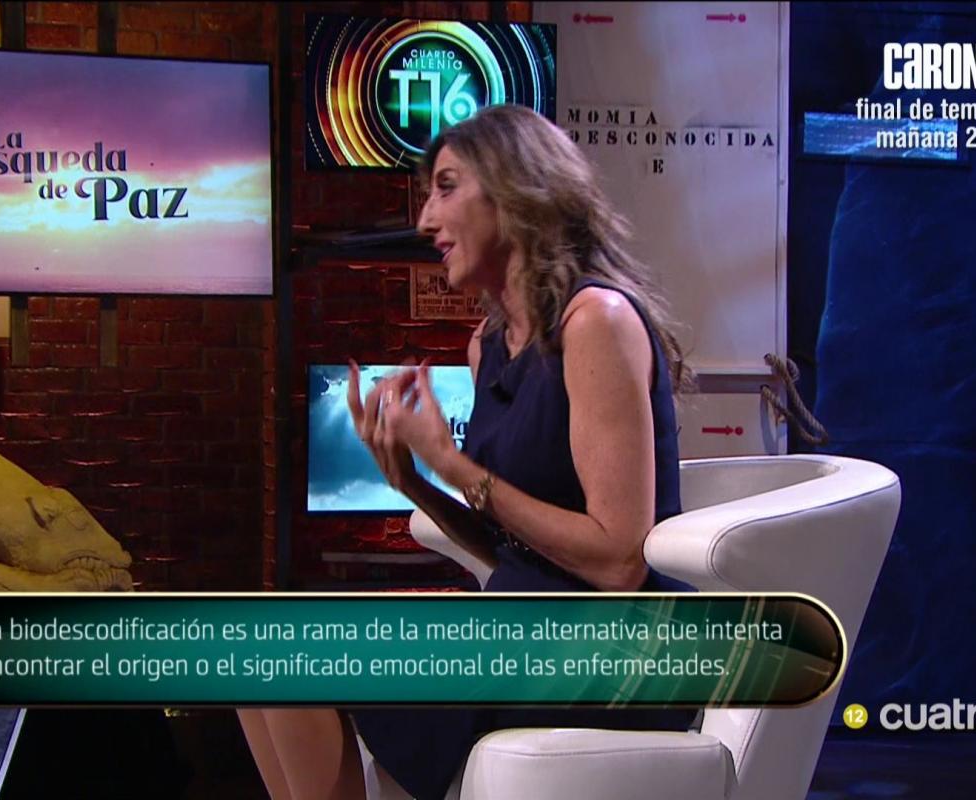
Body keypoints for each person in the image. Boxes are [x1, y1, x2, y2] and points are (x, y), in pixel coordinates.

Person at [238, 104, 697, 800]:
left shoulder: (596, 322)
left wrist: (453, 465)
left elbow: (619, 561)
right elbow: (512, 549)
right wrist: (414, 481)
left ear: (517, 192)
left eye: (446, 188)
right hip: (524, 617)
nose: (426, 220)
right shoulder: (488, 346)